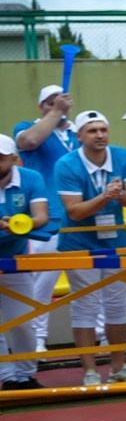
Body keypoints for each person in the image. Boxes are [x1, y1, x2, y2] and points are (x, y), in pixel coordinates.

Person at [50, 111, 126, 386]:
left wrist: (118, 195)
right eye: (92, 130)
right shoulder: (67, 164)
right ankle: (90, 370)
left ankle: (119, 367)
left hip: (115, 242)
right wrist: (105, 196)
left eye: (103, 129)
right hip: (79, 243)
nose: (99, 135)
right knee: (85, 306)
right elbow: (74, 212)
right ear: (79, 135)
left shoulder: (124, 157)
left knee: (117, 305)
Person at [12, 83, 76, 357]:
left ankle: (100, 335)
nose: (56, 107)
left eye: (60, 102)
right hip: (46, 222)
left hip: (80, 218)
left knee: (89, 280)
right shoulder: (27, 127)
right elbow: (28, 143)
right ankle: (37, 338)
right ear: (41, 107)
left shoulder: (79, 132)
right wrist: (55, 114)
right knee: (41, 284)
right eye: (49, 103)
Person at [0, 144, 53, 391]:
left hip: (15, 259)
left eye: (0, 158)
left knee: (23, 321)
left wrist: (23, 223)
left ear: (14, 159)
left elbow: (42, 216)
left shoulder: (31, 178)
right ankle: (6, 376)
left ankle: (26, 375)